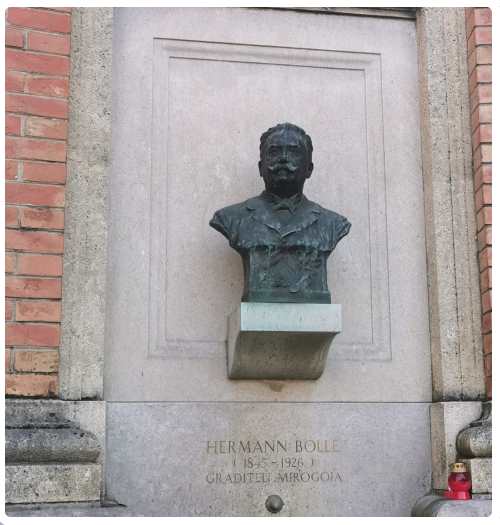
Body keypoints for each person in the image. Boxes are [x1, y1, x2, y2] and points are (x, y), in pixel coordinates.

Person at [210, 122, 351, 303]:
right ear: (261, 168)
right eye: (274, 152)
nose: (283, 159)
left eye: (293, 152)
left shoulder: (332, 224)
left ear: (309, 169)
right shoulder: (232, 218)